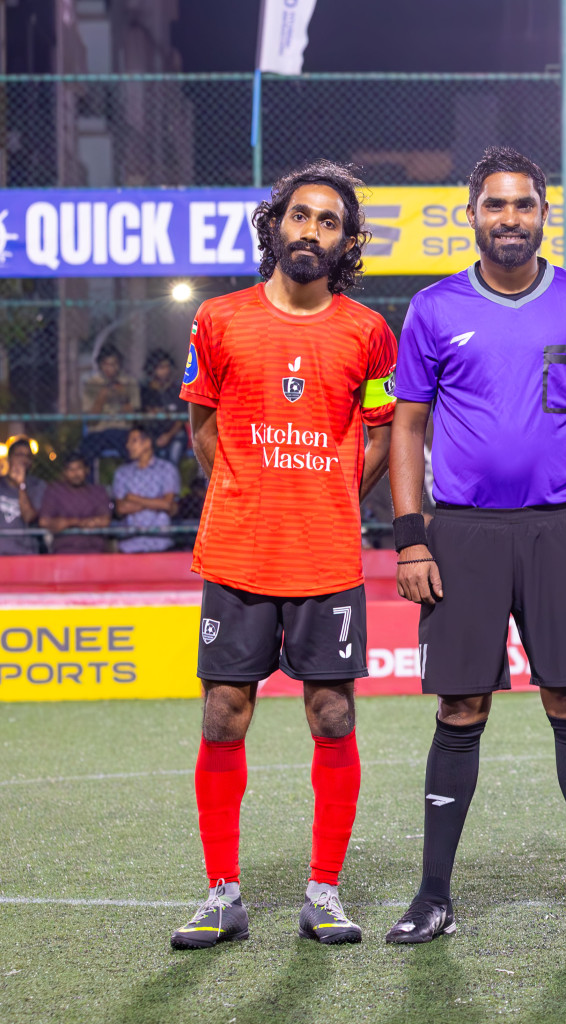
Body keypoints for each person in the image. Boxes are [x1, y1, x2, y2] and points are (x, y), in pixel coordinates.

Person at [386, 147, 566, 944]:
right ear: (471, 215)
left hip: (564, 529)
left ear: (543, 213)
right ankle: (433, 894)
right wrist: (410, 539)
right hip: (460, 533)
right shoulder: (432, 308)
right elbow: (407, 424)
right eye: (494, 205)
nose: (509, 218)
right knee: (460, 707)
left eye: (523, 205)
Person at [170, 160, 397, 950]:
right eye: (300, 216)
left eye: (329, 222)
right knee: (223, 715)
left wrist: (331, 490)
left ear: (346, 242)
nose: (311, 230)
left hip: (325, 556)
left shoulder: (368, 333)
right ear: (276, 225)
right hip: (238, 551)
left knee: (331, 713)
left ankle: (324, 893)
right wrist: (244, 490)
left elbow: (382, 432)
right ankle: (222, 894)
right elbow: (202, 427)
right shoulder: (219, 319)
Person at [111, 424, 181, 553]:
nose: (128, 446)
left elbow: (168, 505)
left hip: (160, 543)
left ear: (147, 443)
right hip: (130, 544)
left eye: (133, 441)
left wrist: (133, 498)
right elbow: (121, 508)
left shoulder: (167, 469)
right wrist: (157, 502)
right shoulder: (122, 473)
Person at [37, 453, 111, 554]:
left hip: (95, 550)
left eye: (79, 468)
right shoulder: (54, 491)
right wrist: (75, 522)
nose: (75, 473)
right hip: (64, 550)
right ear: (64, 472)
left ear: (87, 470)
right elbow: (44, 522)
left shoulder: (98, 491)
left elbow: (105, 521)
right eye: (70, 469)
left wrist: (66, 523)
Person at [79, 343, 141, 460]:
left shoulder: (129, 383)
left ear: (119, 365)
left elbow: (134, 416)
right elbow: (91, 420)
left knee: (131, 448)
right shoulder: (92, 384)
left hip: (122, 430)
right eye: (106, 365)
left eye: (114, 364)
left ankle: (132, 476)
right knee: (86, 450)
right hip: (99, 431)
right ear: (100, 365)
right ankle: (89, 477)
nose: (110, 369)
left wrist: (123, 397)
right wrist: (101, 398)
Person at [141, 349, 189, 463]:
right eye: (160, 368)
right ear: (152, 370)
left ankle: (170, 475)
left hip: (173, 432)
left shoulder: (177, 389)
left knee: (177, 444)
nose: (164, 371)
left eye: (167, 367)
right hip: (153, 431)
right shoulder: (147, 391)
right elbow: (145, 413)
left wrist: (168, 435)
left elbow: (181, 418)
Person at [0, 436, 46, 555]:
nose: (23, 460)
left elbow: (29, 517)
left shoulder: (38, 485)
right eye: (19, 455)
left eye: (28, 456)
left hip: (25, 553)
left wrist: (21, 485)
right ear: (9, 458)